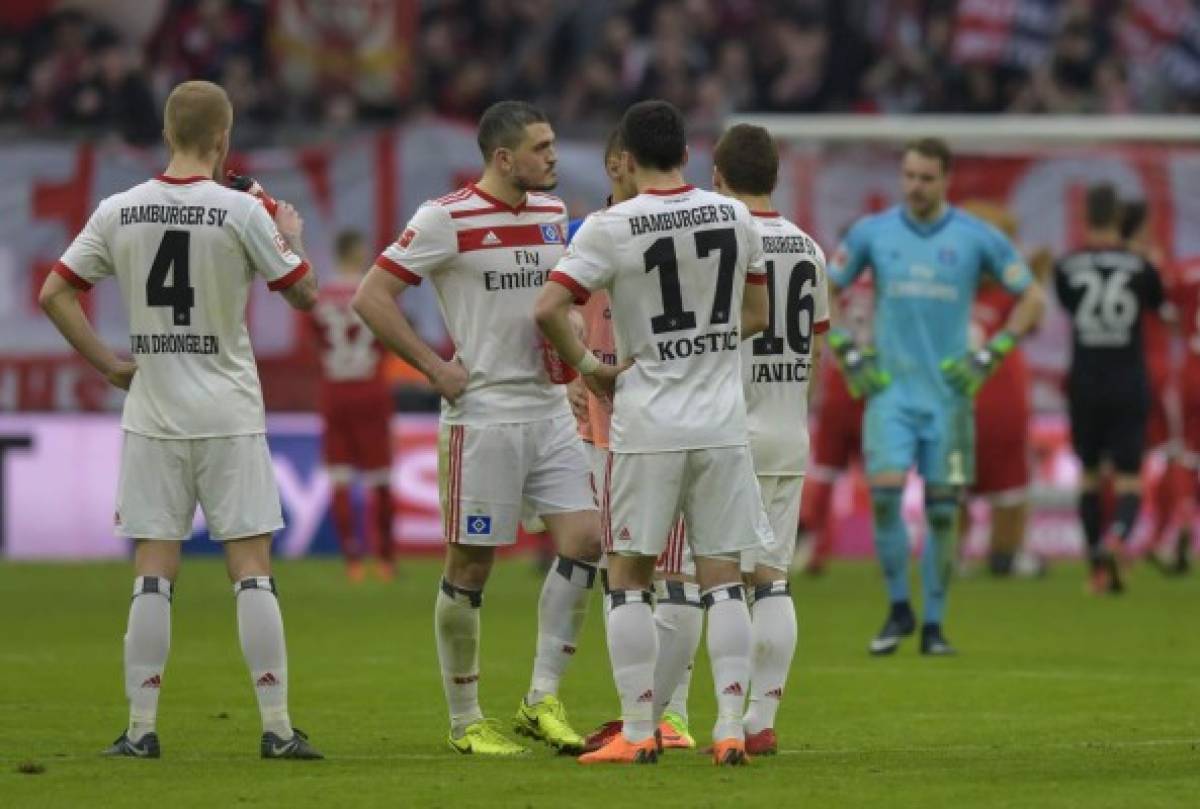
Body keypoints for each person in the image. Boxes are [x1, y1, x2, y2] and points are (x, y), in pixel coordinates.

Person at [38, 80, 322, 759]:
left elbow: (54, 293)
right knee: (250, 565)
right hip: (228, 412)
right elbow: (306, 294)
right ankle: (277, 727)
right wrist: (290, 236)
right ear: (223, 139)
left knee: (153, 567)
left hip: (153, 414)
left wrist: (108, 363)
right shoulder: (240, 210)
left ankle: (140, 729)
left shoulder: (119, 209)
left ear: (167, 135)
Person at [352, 101, 601, 756]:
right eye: (541, 147)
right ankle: (465, 719)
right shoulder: (446, 218)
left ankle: (541, 696)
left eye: (552, 145)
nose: (552, 156)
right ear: (502, 157)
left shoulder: (552, 215)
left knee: (585, 540)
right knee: (471, 565)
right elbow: (370, 297)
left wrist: (573, 349)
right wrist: (434, 367)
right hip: (483, 414)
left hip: (548, 410)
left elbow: (556, 304)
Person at [536, 99, 772, 765]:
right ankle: (728, 726)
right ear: (690, 156)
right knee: (721, 575)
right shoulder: (736, 215)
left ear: (628, 161)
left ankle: (639, 732)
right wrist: (707, 342)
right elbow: (754, 312)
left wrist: (592, 368)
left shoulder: (612, 226)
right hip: (722, 422)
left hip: (647, 422)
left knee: (629, 576)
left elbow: (549, 306)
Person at [827, 137, 1044, 656]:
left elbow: (1031, 296)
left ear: (946, 179)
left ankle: (935, 626)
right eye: (909, 176)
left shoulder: (976, 237)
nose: (915, 186)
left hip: (948, 400)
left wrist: (993, 353)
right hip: (890, 395)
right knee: (883, 497)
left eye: (926, 178)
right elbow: (825, 287)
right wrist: (846, 349)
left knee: (944, 512)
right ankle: (900, 607)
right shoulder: (872, 233)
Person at [712, 122, 830, 753]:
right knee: (775, 580)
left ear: (718, 178)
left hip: (729, 430)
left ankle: (726, 723)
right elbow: (814, 349)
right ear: (776, 177)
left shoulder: (726, 242)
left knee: (722, 581)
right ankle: (762, 720)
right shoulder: (810, 248)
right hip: (789, 429)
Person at [1055, 184, 1167, 593]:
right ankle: (1117, 538)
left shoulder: (1066, 266)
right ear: (1119, 218)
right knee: (1128, 477)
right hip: (1127, 378)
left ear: (1086, 217)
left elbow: (1069, 307)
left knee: (1087, 475)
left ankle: (1095, 569)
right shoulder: (1141, 268)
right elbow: (1158, 308)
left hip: (1084, 379)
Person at [959, 200, 1050, 578]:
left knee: (953, 483)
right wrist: (1038, 273)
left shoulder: (951, 293)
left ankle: (953, 557)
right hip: (1001, 397)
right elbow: (1034, 311)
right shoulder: (1010, 294)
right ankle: (1006, 553)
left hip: (958, 400)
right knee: (1010, 483)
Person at [309, 229, 396, 582]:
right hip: (370, 388)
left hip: (334, 390)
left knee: (341, 476)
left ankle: (353, 560)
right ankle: (386, 561)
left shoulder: (321, 296)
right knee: (380, 477)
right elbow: (389, 338)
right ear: (357, 252)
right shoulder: (374, 291)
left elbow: (316, 342)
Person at [1121, 199, 1191, 575]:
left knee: (1115, 459)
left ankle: (1114, 541)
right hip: (1158, 367)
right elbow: (1176, 318)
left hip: (1116, 371)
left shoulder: (1108, 263)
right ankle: (1168, 532)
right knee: (1176, 453)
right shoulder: (1155, 267)